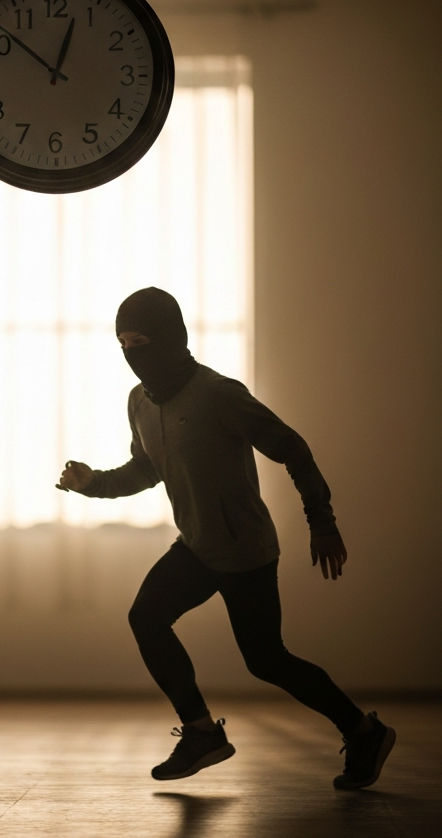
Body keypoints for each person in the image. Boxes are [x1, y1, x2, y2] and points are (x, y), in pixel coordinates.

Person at [58, 287, 394, 789]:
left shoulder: (218, 394)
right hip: (195, 547)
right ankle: (201, 733)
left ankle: (365, 732)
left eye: (142, 341)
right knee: (146, 617)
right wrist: (94, 484)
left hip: (244, 553)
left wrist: (321, 521)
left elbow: (292, 447)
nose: (133, 355)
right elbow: (146, 469)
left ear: (172, 338)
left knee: (267, 660)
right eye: (123, 344)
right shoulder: (140, 403)